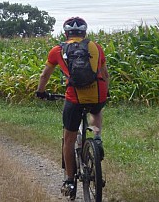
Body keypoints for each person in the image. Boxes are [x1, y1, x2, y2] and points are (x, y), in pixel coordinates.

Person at [36, 16, 109, 198]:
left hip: (74, 98)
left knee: (69, 139)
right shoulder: (96, 48)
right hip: (97, 94)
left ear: (66, 32)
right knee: (96, 110)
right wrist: (105, 93)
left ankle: (69, 180)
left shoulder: (57, 50)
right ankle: (97, 138)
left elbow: (45, 75)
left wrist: (41, 92)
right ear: (84, 32)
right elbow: (105, 74)